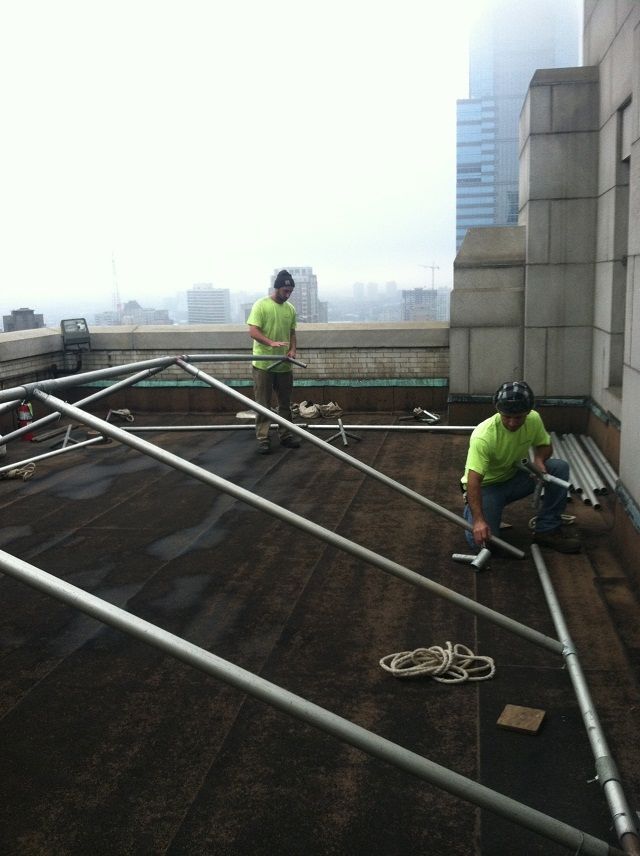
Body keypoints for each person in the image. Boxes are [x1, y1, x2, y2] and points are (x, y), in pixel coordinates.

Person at [461, 381, 580, 553]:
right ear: (499, 411)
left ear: (528, 412)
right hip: (487, 488)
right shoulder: (484, 436)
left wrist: (539, 460)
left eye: (518, 417)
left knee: (558, 467)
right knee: (482, 545)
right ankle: (473, 511)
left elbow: (545, 445)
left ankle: (547, 529)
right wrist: (479, 520)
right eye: (507, 416)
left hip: (514, 478)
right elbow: (473, 481)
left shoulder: (533, 419)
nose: (512, 422)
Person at [247, 269, 301, 455]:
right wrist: (271, 343)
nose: (288, 294)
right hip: (263, 364)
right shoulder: (261, 305)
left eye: (290, 292)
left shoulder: (290, 309)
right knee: (263, 403)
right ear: (277, 288)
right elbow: (253, 331)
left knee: (285, 402)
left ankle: (285, 435)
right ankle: (263, 438)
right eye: (285, 291)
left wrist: (292, 349)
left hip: (284, 363)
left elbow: (292, 333)